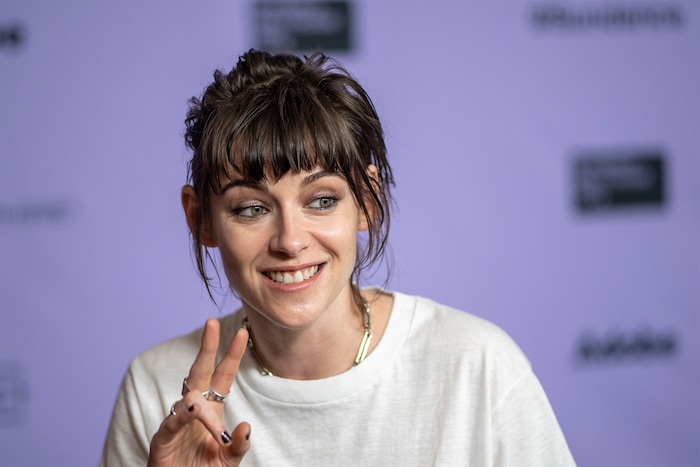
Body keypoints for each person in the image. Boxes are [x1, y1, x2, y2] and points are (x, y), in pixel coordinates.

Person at [100, 49, 576, 466]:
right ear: (200, 218)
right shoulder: (156, 387)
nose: (290, 241)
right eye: (251, 208)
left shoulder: (479, 366)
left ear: (366, 200)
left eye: (322, 200)